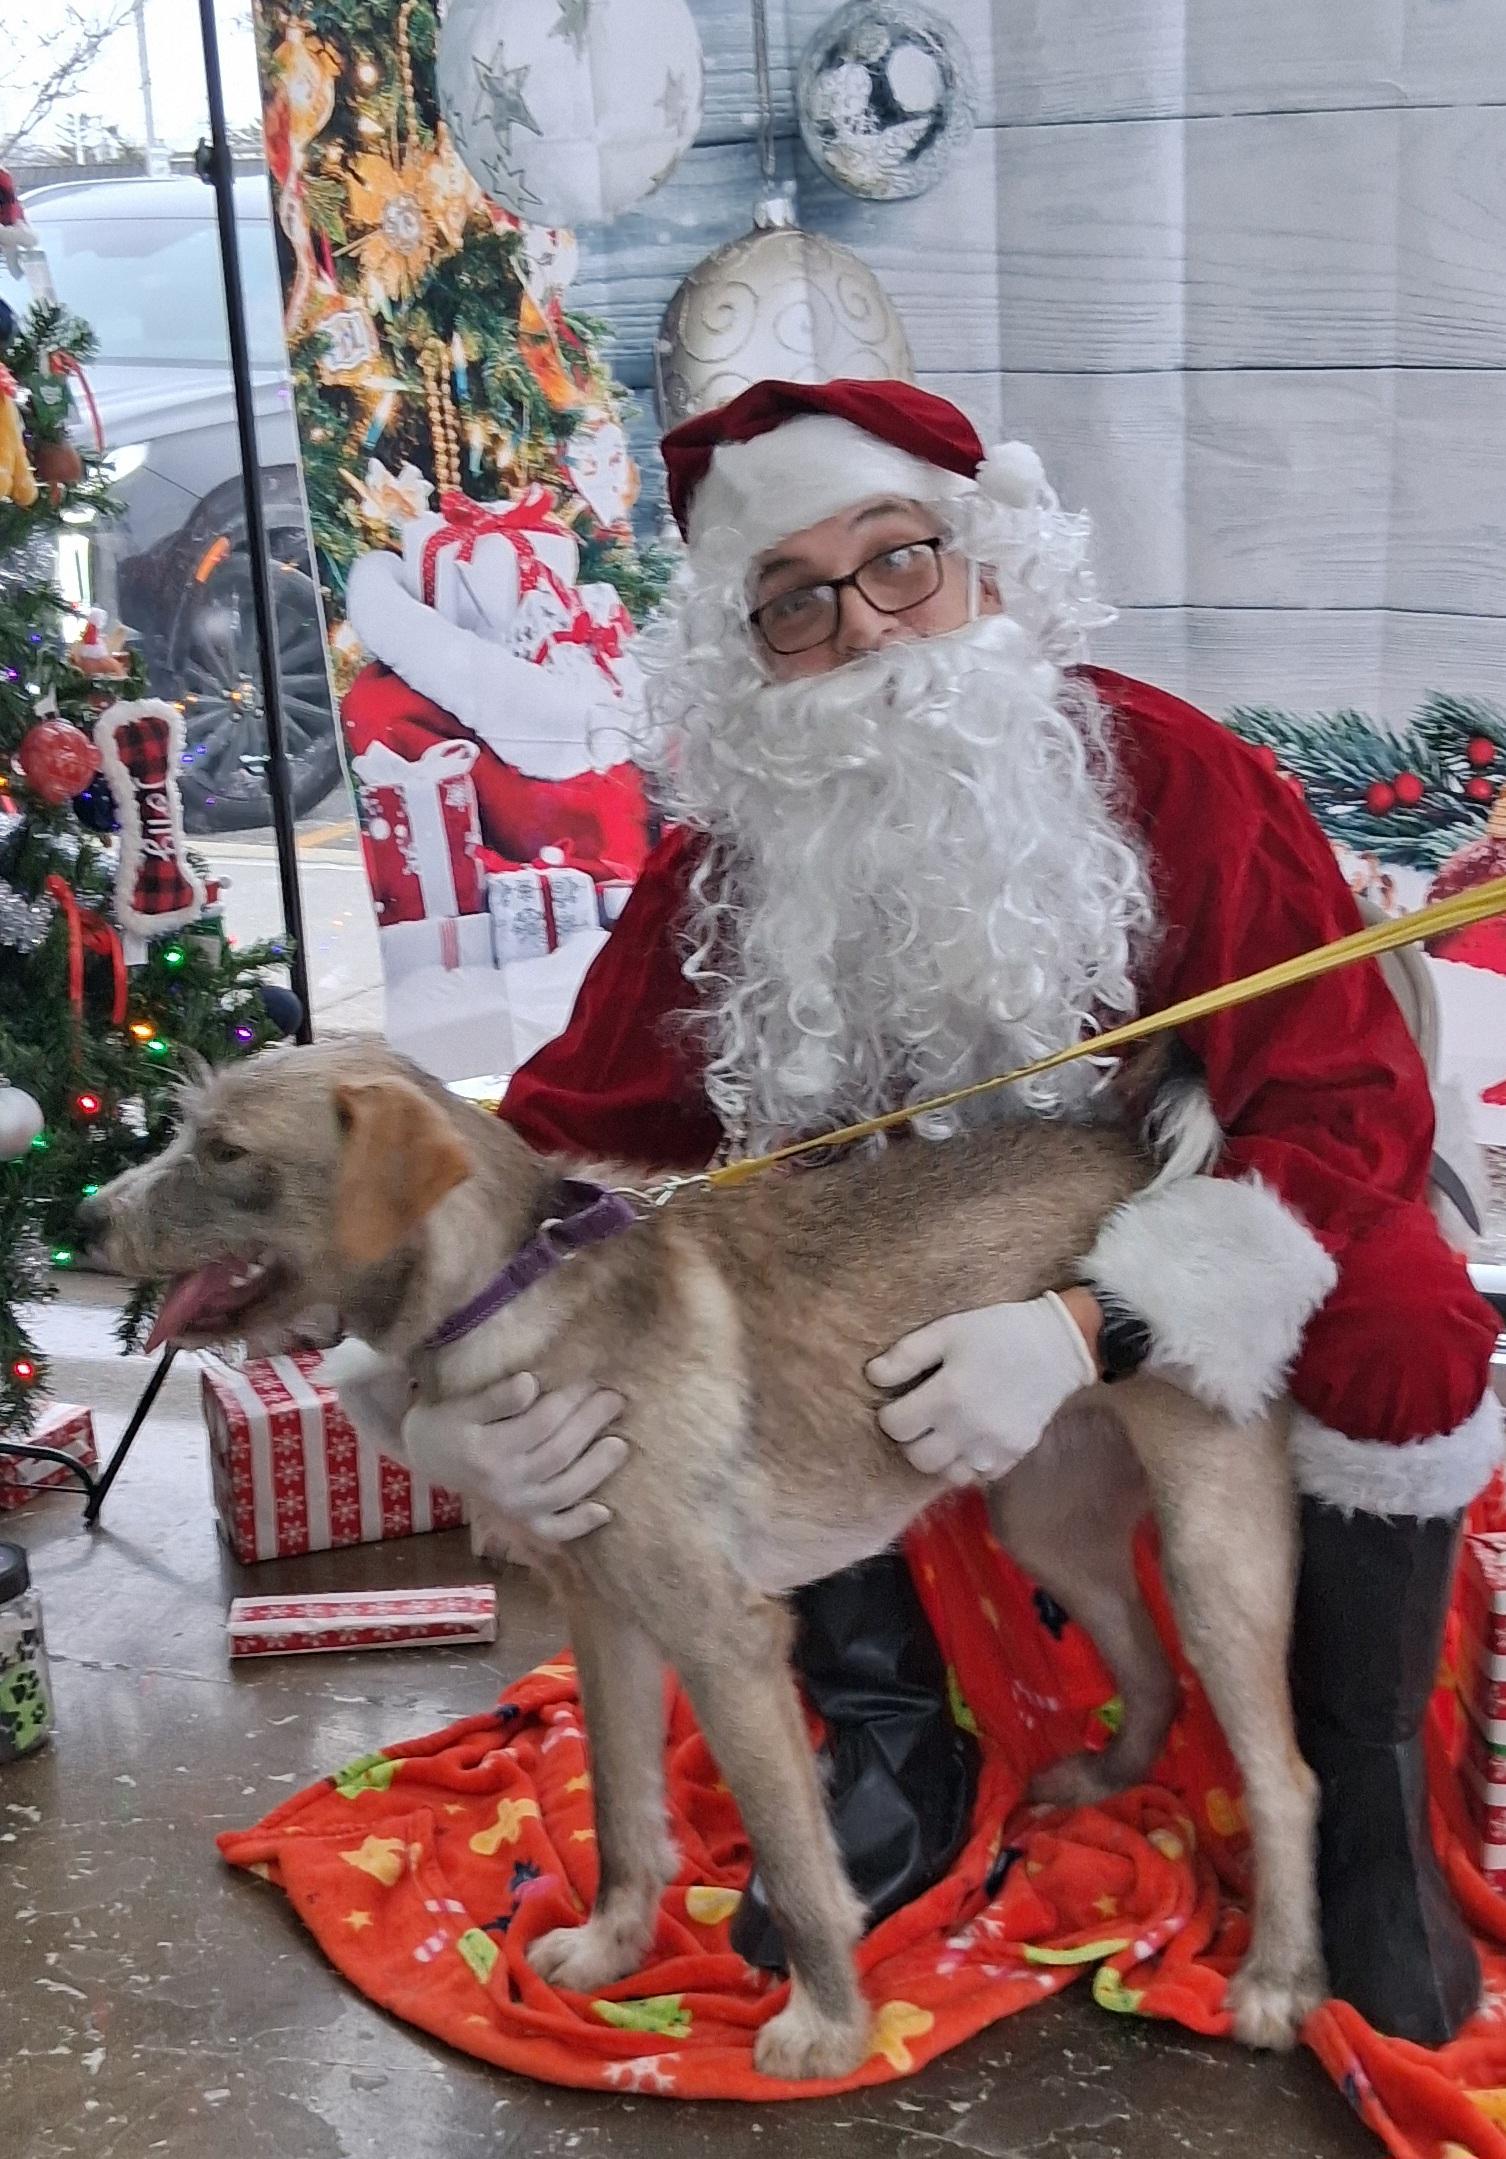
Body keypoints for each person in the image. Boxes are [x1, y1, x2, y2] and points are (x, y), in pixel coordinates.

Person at [358, 377, 1503, 2046]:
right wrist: (421, 1402)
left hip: (1201, 1195)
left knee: (1406, 1330)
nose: (866, 626)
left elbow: (1335, 1099)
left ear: (985, 563)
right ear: (747, 652)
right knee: (736, 1332)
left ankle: (1366, 1807)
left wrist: (1092, 1322)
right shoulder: (728, 864)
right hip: (880, 1264)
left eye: (899, 562)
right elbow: (557, 1144)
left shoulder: (1167, 771)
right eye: (796, 599)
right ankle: (891, 1730)